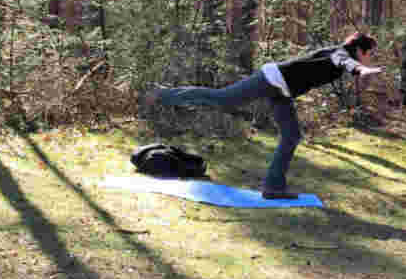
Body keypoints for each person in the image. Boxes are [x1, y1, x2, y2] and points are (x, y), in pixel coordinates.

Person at [143, 32, 382, 199]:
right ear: (359, 50)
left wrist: (361, 69)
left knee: (291, 136)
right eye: (369, 54)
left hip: (282, 90)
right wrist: (362, 69)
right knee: (222, 98)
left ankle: (273, 188)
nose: (370, 58)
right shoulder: (340, 54)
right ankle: (163, 94)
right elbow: (347, 62)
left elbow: (344, 65)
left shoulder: (340, 57)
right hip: (271, 79)